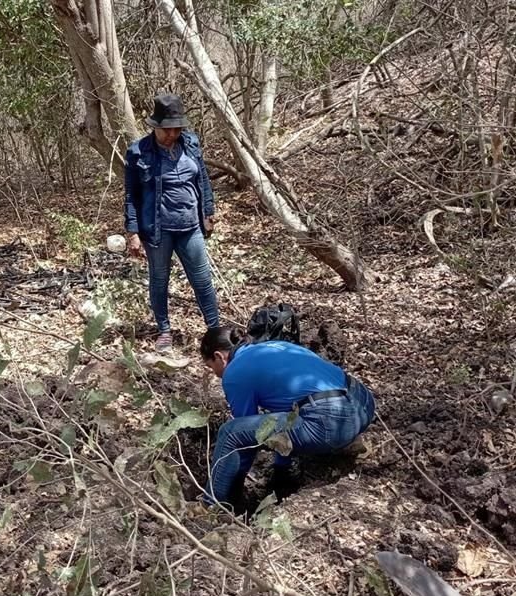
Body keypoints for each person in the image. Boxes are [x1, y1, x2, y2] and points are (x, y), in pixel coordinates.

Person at [199, 327, 376, 513]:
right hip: (363, 403)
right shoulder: (273, 346)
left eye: (211, 367)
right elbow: (288, 411)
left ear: (219, 357)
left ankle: (210, 506)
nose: (215, 374)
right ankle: (347, 440)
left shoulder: (234, 372)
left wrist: (234, 486)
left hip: (330, 419)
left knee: (229, 432)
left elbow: (243, 439)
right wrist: (281, 470)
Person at [124, 94, 220, 352]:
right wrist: (132, 232)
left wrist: (208, 212)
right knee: (159, 279)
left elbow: (204, 182)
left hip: (191, 226)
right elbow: (131, 194)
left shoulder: (191, 144)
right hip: (158, 230)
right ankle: (164, 330)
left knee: (202, 280)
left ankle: (215, 331)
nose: (173, 134)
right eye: (168, 129)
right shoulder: (138, 152)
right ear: (155, 126)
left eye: (178, 128)